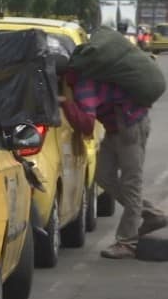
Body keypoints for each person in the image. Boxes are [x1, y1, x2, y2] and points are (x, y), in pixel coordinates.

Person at [60, 69, 168, 259]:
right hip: (114, 129)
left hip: (130, 128)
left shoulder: (84, 85)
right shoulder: (83, 80)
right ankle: (151, 213)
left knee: (130, 184)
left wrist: (66, 104)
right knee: (102, 175)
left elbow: (86, 124)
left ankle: (127, 242)